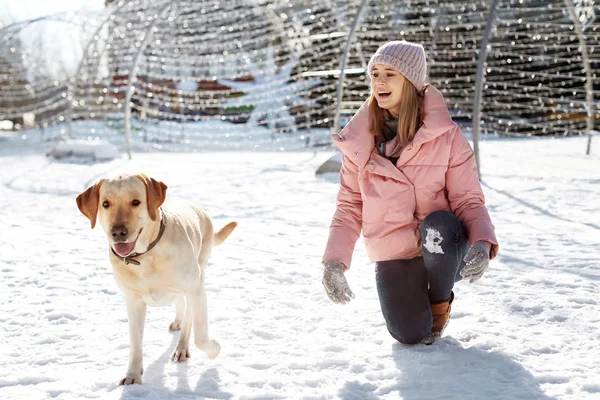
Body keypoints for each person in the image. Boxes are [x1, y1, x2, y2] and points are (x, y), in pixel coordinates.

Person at [321, 40, 499, 345]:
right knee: (410, 334)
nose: (379, 81)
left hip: (443, 245)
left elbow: (468, 199)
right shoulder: (359, 143)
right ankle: (416, 300)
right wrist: (334, 262)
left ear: (412, 81)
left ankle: (440, 298)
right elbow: (350, 207)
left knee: (438, 226)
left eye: (390, 73)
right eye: (375, 74)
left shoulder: (447, 137)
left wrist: (482, 243)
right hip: (394, 250)